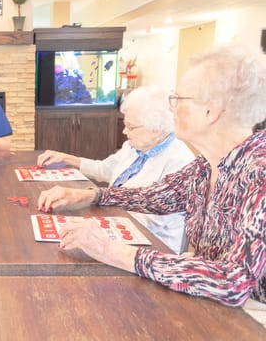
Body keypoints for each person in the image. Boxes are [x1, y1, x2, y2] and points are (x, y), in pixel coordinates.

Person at [37, 44, 266, 307]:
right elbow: (157, 196)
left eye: (178, 99)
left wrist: (114, 251)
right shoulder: (205, 166)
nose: (171, 108)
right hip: (207, 304)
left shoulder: (260, 174)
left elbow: (232, 283)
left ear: (210, 111)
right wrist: (92, 195)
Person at [37, 85, 195, 253]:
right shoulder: (135, 146)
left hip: (151, 248)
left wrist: (94, 209)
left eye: (131, 126)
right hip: (115, 229)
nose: (125, 131)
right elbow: (104, 169)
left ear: (156, 129)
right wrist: (66, 158)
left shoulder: (180, 161)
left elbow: (151, 218)